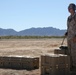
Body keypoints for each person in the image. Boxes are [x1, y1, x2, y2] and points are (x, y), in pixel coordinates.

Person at [66, 3, 76, 70]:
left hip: (74, 38)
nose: (69, 9)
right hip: (69, 38)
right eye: (69, 8)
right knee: (70, 52)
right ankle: (72, 66)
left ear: (74, 8)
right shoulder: (69, 18)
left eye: (71, 8)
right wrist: (67, 32)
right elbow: (68, 27)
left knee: (74, 52)